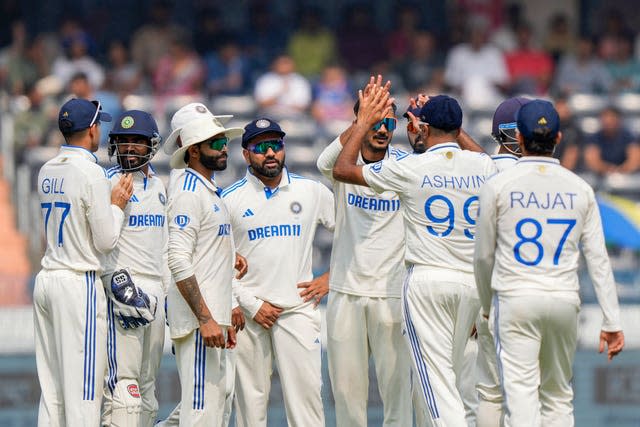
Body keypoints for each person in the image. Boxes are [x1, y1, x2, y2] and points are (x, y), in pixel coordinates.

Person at [333, 79, 497, 426]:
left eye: (413, 123)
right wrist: (454, 126)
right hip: (471, 283)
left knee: (434, 383)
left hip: (427, 280)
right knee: (446, 379)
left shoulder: (411, 166)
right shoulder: (481, 167)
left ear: (422, 127)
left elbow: (342, 169)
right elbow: (488, 161)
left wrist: (362, 122)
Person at [474, 100, 625, 426]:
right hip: (563, 300)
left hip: (516, 300)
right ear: (557, 138)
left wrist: (487, 306)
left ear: (521, 140)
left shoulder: (498, 185)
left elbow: (484, 255)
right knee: (558, 397)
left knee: (521, 397)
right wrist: (611, 321)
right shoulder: (581, 188)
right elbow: (598, 258)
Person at [222, 118, 335, 427]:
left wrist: (330, 277)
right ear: (246, 155)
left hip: (297, 310)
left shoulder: (311, 191)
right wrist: (250, 304)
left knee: (307, 406)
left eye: (276, 145)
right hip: (249, 314)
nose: (270, 153)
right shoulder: (228, 199)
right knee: (250, 409)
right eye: (260, 147)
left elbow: (353, 234)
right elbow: (216, 262)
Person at [34, 98, 133, 426]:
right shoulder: (92, 173)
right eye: (98, 125)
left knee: (52, 392)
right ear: (91, 129)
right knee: (85, 392)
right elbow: (105, 241)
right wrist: (118, 203)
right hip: (78, 282)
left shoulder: (46, 169)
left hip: (48, 277)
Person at [317, 100, 413, 427]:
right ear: (360, 121)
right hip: (345, 292)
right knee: (347, 396)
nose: (383, 129)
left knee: (397, 394)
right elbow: (323, 163)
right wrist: (361, 122)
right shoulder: (345, 162)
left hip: (392, 294)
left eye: (389, 122)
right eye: (375, 122)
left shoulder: (406, 166)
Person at [166, 116, 244, 426]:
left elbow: (207, 253)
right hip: (202, 325)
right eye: (216, 143)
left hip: (216, 320)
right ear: (193, 150)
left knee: (215, 409)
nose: (224, 148)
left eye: (225, 142)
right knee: (200, 415)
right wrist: (206, 318)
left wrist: (230, 306)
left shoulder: (208, 189)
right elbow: (178, 259)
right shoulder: (188, 191)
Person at [100, 110, 167, 427]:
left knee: (148, 387)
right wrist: (112, 284)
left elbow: (166, 246)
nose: (129, 147)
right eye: (123, 141)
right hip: (123, 289)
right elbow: (99, 241)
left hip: (155, 290)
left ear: (151, 145)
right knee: (124, 385)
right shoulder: (105, 183)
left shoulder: (161, 187)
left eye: (137, 142)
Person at [584, 106, 640, 175]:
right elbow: (592, 161)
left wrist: (621, 171)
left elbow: (635, 160)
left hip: (626, 176)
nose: (608, 122)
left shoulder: (629, 137)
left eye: (612, 119)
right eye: (605, 118)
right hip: (601, 177)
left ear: (619, 120)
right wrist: (608, 169)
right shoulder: (594, 138)